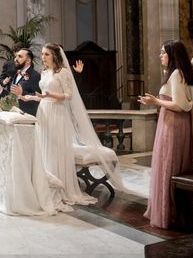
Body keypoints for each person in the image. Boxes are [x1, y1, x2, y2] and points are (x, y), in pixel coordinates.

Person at [17, 43, 121, 211]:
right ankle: (46, 184)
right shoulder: (44, 73)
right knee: (44, 148)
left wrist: (51, 95)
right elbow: (44, 96)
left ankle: (61, 186)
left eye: (47, 54)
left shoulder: (63, 73)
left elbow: (68, 95)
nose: (43, 57)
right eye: (42, 54)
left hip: (58, 114)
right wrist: (31, 98)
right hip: (44, 112)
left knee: (56, 149)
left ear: (55, 56)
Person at [139, 41, 193, 229]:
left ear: (172, 56)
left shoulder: (176, 74)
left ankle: (169, 213)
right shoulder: (178, 73)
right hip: (173, 122)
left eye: (163, 53)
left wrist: (155, 101)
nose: (160, 56)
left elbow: (179, 105)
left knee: (169, 165)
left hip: (173, 123)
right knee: (171, 164)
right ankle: (174, 211)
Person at [0, 48, 41, 115]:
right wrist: (0, 92)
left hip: (27, 117)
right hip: (15, 115)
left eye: (20, 56)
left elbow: (39, 97)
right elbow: (12, 97)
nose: (16, 59)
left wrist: (22, 93)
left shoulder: (35, 75)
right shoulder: (15, 74)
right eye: (16, 56)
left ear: (28, 61)